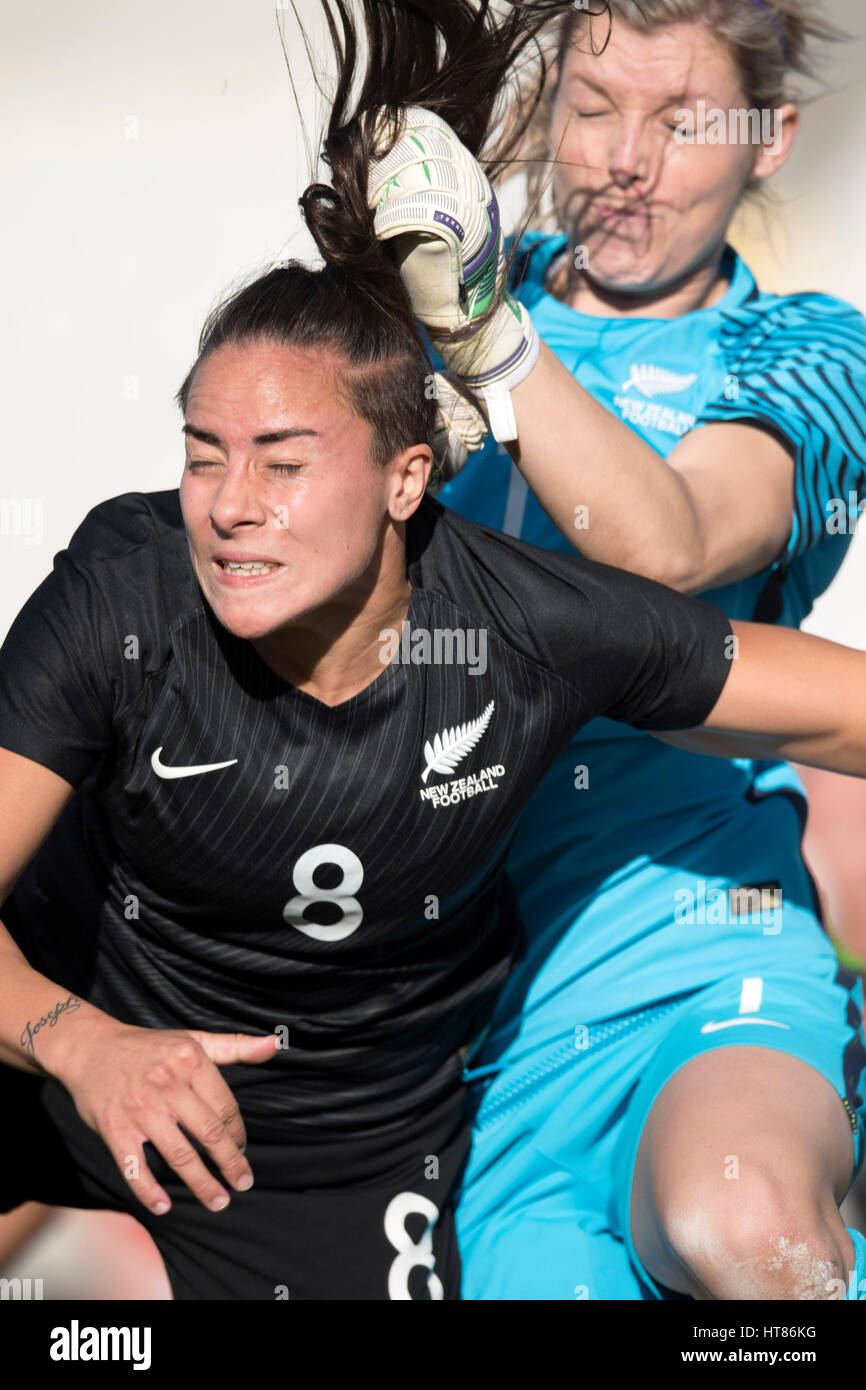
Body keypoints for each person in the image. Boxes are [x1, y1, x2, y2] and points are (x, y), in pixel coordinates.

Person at [356, 0, 866, 1298]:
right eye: (590, 109)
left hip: (707, 941)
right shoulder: (442, 280)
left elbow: (676, 543)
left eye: (682, 119)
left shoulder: (803, 347)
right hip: (481, 1030)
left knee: (747, 1234)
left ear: (769, 140)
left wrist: (489, 352)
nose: (621, 161)